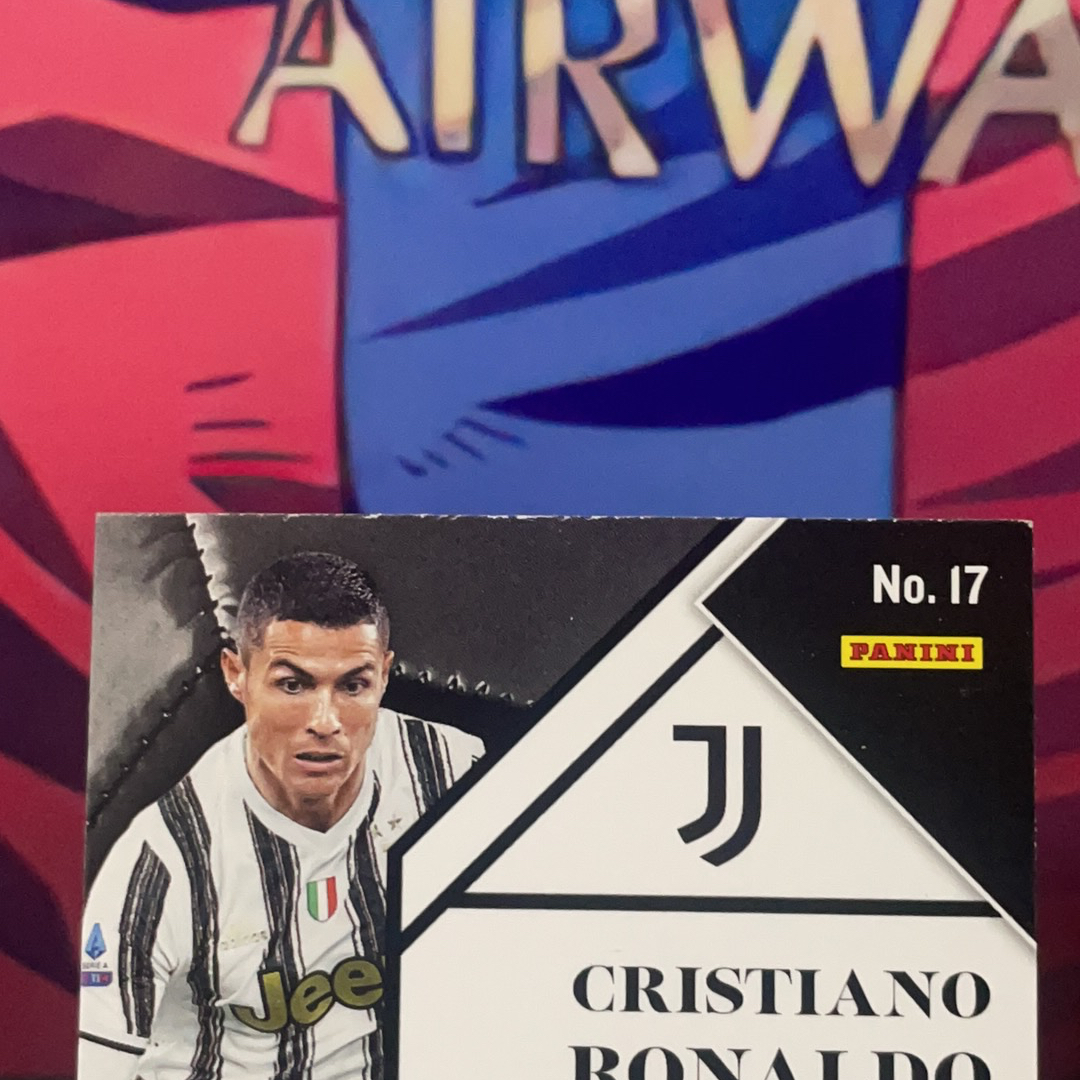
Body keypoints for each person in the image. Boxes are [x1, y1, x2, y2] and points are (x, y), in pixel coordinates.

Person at [78, 552, 484, 1080]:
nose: (325, 721)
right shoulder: (163, 863)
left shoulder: (453, 774)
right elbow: (94, 1064)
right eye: (293, 685)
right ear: (237, 676)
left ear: (384, 676)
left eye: (353, 685)